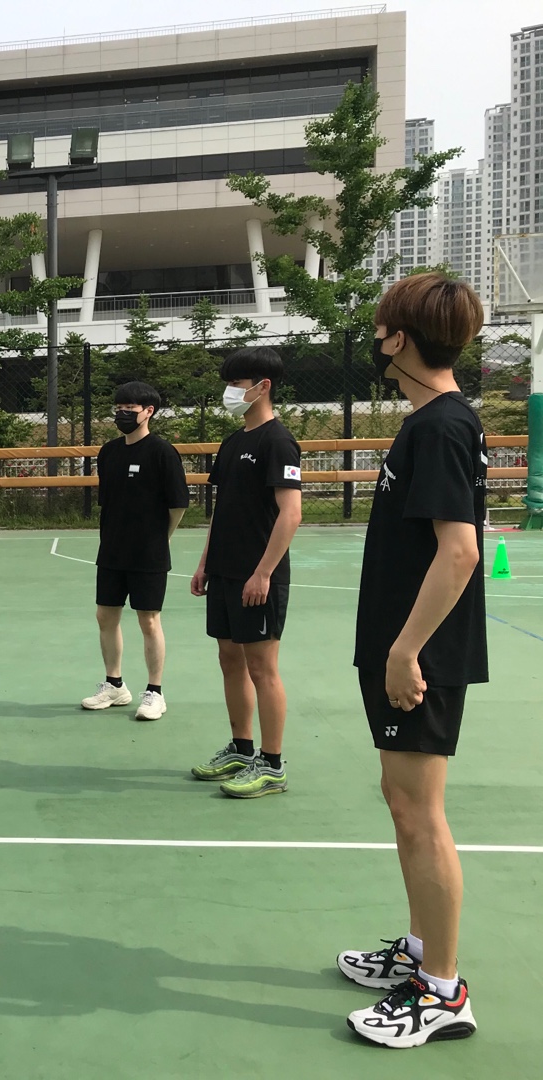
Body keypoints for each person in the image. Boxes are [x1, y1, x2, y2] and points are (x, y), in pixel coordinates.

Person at [337, 274, 486, 1047]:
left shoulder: (441, 428)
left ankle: (441, 991)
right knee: (404, 807)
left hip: (420, 656)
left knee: (420, 815)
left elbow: (459, 554)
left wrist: (404, 649)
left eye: (380, 327)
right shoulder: (431, 422)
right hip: (406, 650)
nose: (375, 336)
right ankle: (424, 949)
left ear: (399, 339)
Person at [188, 347, 302, 798]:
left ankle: (271, 765)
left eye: (238, 384)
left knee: (262, 667)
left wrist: (264, 573)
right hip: (225, 573)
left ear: (262, 387)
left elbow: (290, 514)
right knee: (229, 660)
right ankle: (241, 747)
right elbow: (221, 511)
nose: (230, 392)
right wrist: (204, 563)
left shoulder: (278, 442)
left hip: (259, 577)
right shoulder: (233, 443)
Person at [81, 381, 190, 721]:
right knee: (105, 616)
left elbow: (178, 505)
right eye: (119, 407)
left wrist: (162, 538)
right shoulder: (109, 452)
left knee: (149, 621)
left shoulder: (162, 452)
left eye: (130, 408)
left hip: (149, 553)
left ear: (148, 411)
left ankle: (154, 692)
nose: (123, 413)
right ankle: (115, 685)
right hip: (112, 550)